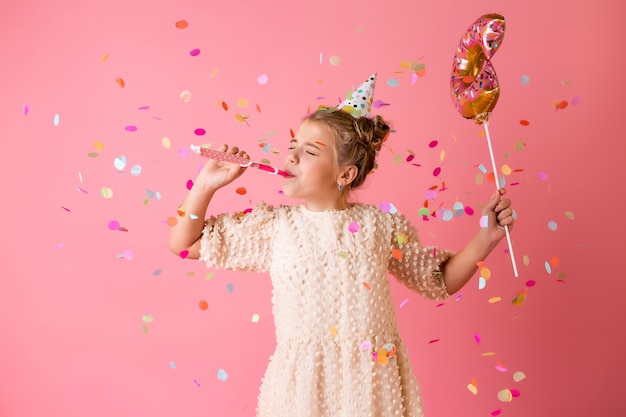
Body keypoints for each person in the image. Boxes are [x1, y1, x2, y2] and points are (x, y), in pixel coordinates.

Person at [169, 83, 515, 417]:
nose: (291, 156)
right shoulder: (273, 228)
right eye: (293, 146)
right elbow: (184, 244)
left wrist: (486, 238)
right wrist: (206, 185)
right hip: (300, 393)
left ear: (345, 174)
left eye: (310, 151)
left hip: (371, 389)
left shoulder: (381, 227)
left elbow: (438, 280)